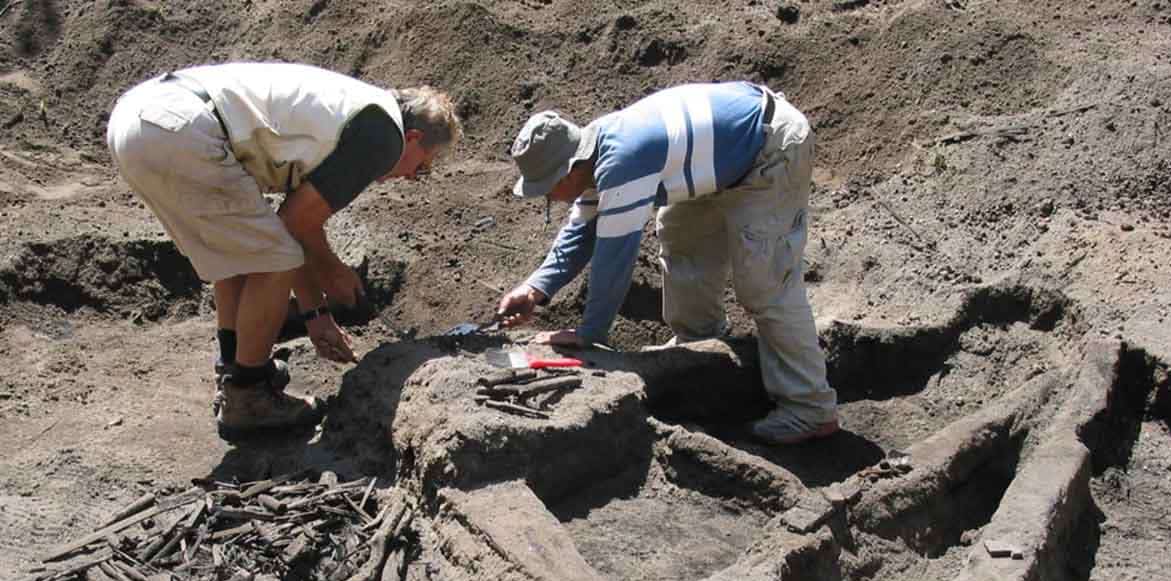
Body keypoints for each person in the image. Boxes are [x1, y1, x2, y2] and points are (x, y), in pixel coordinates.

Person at [107, 62, 461, 439]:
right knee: (272, 257)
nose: (410, 178)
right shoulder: (382, 137)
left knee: (244, 255)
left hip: (139, 120)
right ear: (413, 139)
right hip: (183, 131)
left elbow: (294, 228)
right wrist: (332, 275)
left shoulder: (356, 108)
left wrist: (316, 312)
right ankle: (247, 395)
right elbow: (293, 225)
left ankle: (236, 368)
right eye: (421, 167)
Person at [497, 83, 837, 445]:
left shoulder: (621, 162)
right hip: (724, 157)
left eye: (546, 188)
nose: (548, 197)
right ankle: (698, 345)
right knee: (681, 234)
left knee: (765, 282)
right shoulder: (594, 153)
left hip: (769, 150)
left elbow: (614, 259)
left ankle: (810, 407)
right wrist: (534, 289)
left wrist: (590, 334)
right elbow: (582, 231)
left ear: (567, 172)